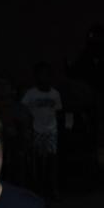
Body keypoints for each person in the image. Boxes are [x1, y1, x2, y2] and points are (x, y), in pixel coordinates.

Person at [21, 62, 63, 199]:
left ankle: (53, 189)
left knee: (52, 160)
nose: (45, 77)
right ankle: (39, 189)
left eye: (47, 74)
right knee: (38, 160)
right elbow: (23, 110)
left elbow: (58, 112)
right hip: (37, 130)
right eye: (42, 74)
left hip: (51, 130)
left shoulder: (55, 93)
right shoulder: (31, 94)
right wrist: (27, 128)